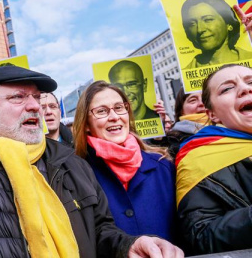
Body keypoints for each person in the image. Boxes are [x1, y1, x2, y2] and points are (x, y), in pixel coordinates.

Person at [0, 65, 183, 257]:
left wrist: (127, 246)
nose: (35, 106)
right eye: (18, 97)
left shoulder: (70, 163)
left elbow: (100, 230)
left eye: (36, 97)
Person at [72, 80, 178, 244]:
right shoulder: (76, 176)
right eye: (102, 111)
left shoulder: (163, 166)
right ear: (86, 123)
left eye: (119, 108)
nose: (114, 117)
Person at [176, 64, 252, 255]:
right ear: (213, 115)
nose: (245, 88)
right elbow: (200, 235)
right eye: (227, 88)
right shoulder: (198, 156)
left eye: (251, 82)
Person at [181, 0, 252, 69]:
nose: (200, 29)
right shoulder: (187, 71)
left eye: (208, 20)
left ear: (229, 24)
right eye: (192, 24)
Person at [165, 88, 208, 161]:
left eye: (205, 98)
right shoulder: (172, 142)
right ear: (181, 111)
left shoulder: (230, 128)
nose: (201, 103)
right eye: (193, 100)